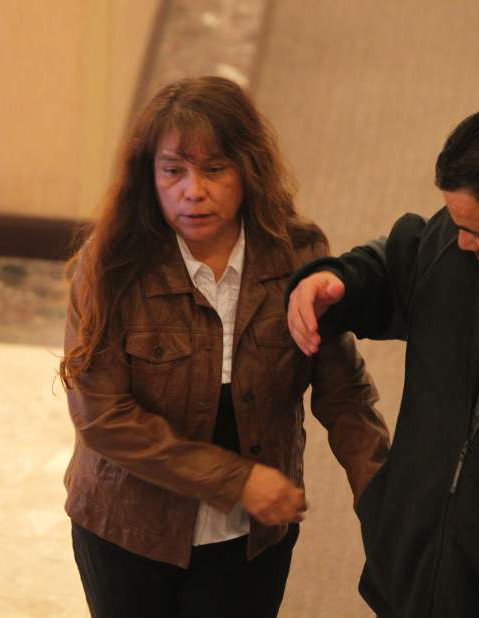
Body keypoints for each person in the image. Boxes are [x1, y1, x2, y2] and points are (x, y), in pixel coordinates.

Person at [60, 75, 389, 618]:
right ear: (149, 176)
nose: (193, 191)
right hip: (126, 529)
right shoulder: (111, 265)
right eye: (173, 171)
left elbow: (344, 392)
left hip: (251, 540)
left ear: (248, 169)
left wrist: (383, 501)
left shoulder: (298, 254)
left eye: (214, 169)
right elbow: (101, 414)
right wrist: (236, 481)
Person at [287, 111, 479, 618]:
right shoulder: (451, 246)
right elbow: (395, 267)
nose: (463, 241)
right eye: (457, 224)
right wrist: (336, 281)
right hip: (413, 576)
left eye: (476, 230)